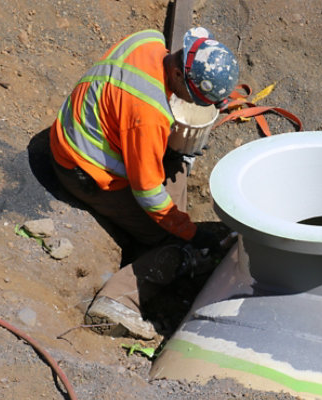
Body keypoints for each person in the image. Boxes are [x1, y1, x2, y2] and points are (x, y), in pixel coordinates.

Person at [49, 27, 240, 339]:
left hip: (80, 133)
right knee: (172, 239)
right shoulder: (149, 115)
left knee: (175, 163)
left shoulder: (148, 40)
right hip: (85, 171)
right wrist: (190, 232)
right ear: (178, 75)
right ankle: (117, 300)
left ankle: (150, 241)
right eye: (196, 98)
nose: (196, 104)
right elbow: (149, 195)